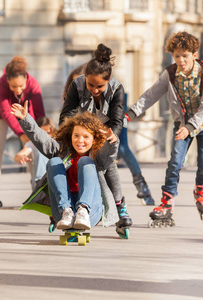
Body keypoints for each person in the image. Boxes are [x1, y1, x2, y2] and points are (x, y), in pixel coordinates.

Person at [125, 31, 203, 227]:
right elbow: (151, 95)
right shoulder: (170, 74)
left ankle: (200, 191)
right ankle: (167, 202)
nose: (181, 60)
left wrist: (190, 127)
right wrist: (130, 114)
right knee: (175, 162)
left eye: (185, 55)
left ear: (194, 55)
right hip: (182, 122)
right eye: (176, 56)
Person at [11, 101, 120, 230]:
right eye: (76, 136)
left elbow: (109, 154)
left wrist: (112, 143)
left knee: (85, 162)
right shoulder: (62, 150)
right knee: (54, 161)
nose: (80, 140)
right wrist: (25, 119)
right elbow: (41, 139)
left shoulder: (98, 157)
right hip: (62, 214)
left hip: (91, 211)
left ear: (94, 139)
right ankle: (67, 210)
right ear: (70, 136)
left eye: (86, 137)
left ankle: (83, 210)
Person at [60, 44, 132, 238]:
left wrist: (112, 135)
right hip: (81, 135)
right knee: (73, 167)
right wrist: (67, 134)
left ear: (108, 81)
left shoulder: (117, 88)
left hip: (103, 135)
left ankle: (119, 206)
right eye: (91, 85)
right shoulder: (77, 84)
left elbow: (117, 119)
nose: (94, 90)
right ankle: (64, 210)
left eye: (99, 86)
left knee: (107, 164)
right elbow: (66, 113)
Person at [64, 64, 155, 206]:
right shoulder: (76, 94)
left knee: (122, 147)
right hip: (94, 124)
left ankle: (142, 187)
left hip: (112, 116)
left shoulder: (109, 91)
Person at [0, 56, 45, 208]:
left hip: (25, 114)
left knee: (32, 147)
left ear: (26, 78)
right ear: (7, 80)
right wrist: (20, 133)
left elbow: (40, 113)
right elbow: (6, 113)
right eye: (13, 87)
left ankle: (37, 186)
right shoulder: (1, 84)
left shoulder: (33, 84)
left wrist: (39, 135)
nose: (18, 90)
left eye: (21, 86)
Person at [14, 116, 56, 190]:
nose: (45, 136)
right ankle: (41, 182)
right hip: (40, 180)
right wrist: (21, 157)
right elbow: (18, 155)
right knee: (41, 149)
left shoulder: (57, 142)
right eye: (42, 133)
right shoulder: (34, 143)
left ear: (53, 132)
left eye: (48, 133)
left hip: (55, 177)